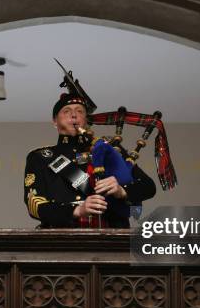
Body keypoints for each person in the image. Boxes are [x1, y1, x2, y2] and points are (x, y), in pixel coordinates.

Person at [24, 93, 156, 228]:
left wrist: (121, 190)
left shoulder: (107, 149)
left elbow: (148, 186)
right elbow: (34, 204)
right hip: (61, 240)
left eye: (79, 111)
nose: (74, 115)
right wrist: (77, 211)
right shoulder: (40, 157)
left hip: (113, 238)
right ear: (54, 121)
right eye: (66, 111)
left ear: (86, 120)